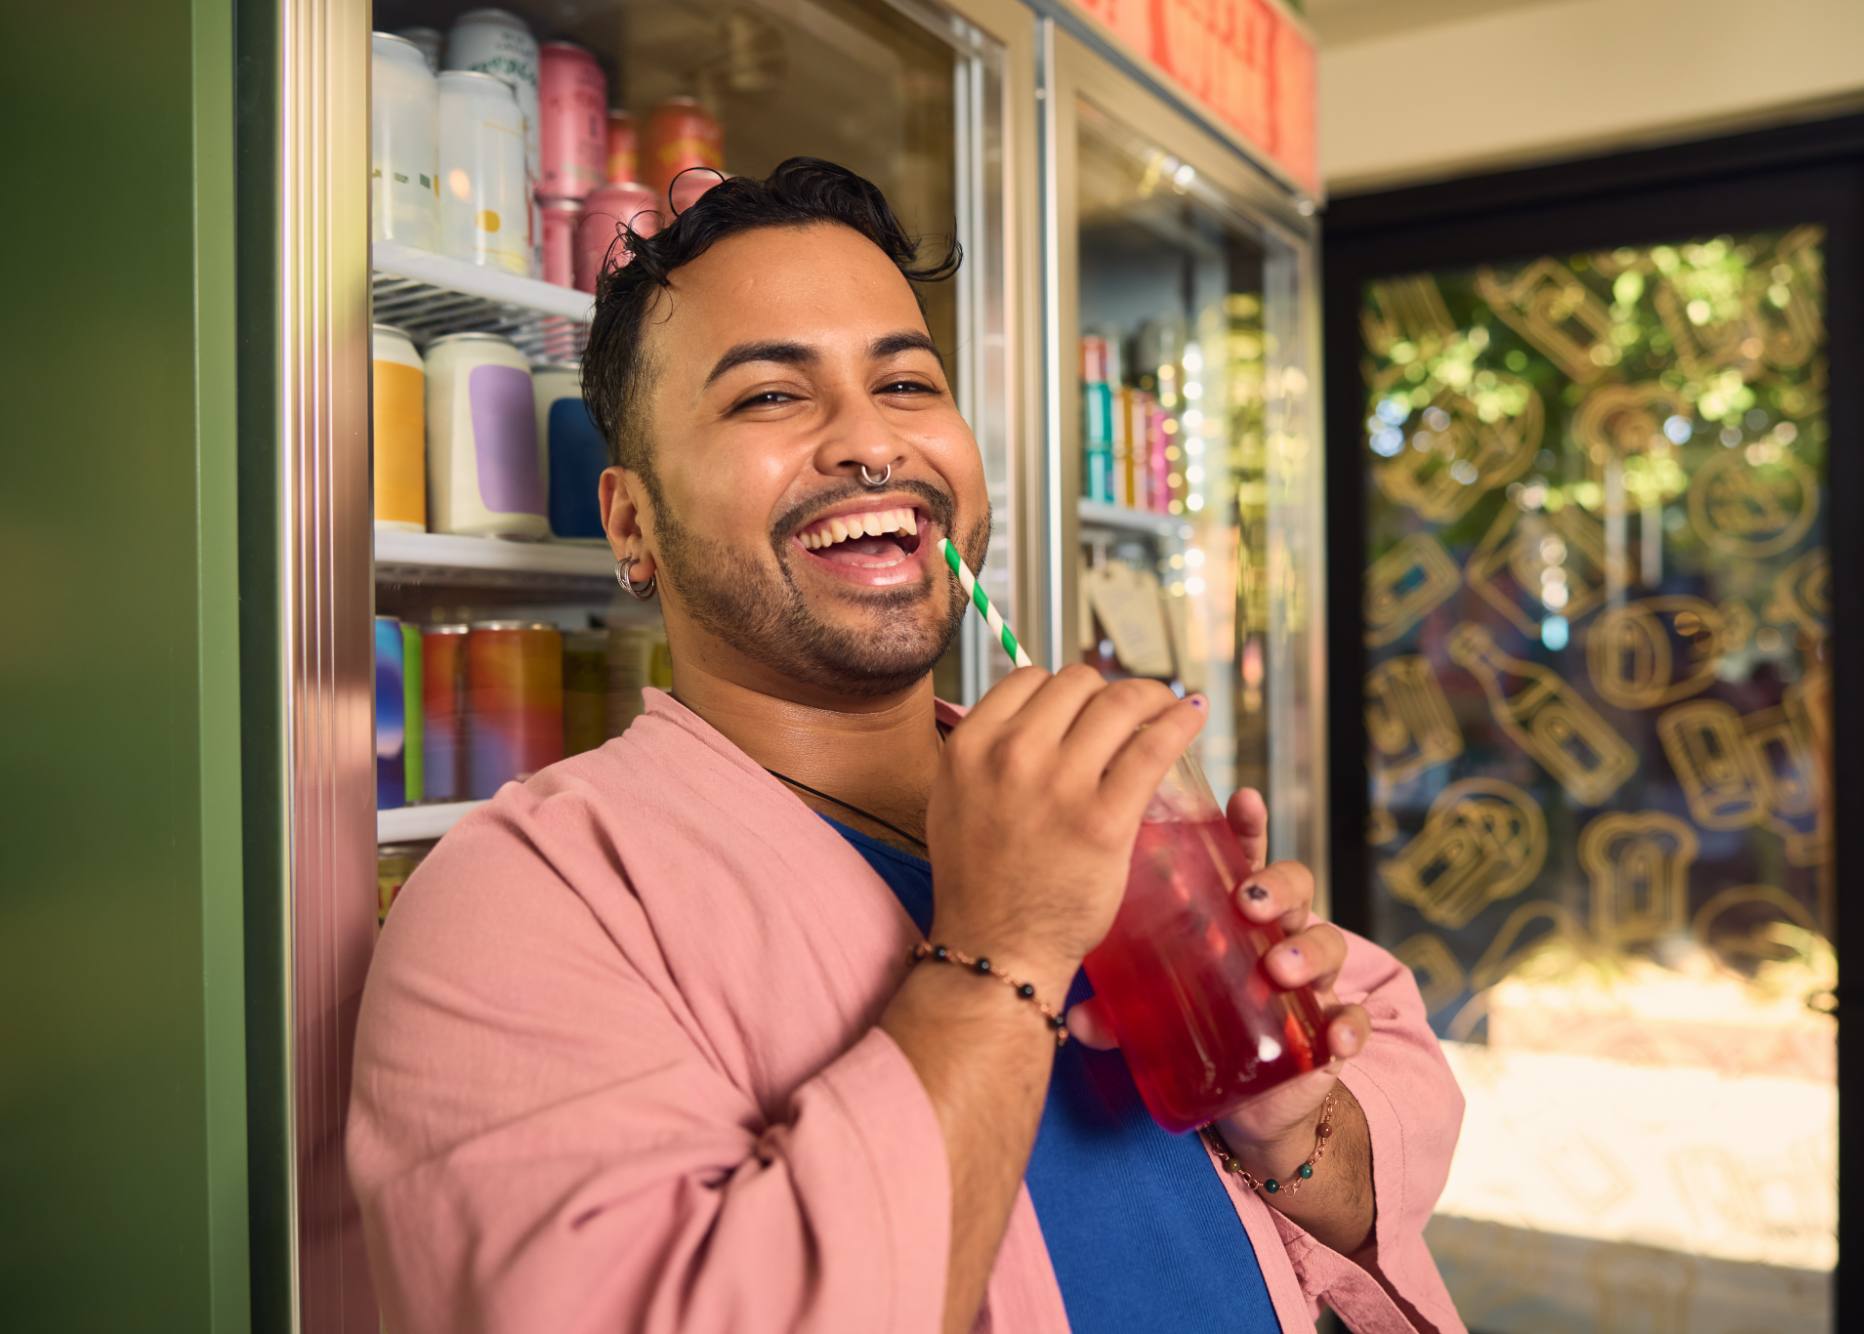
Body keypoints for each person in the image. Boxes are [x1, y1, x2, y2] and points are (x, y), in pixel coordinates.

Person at [348, 158, 1465, 1334]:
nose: (869, 441)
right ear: (631, 521)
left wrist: (1291, 1125)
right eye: (770, 396)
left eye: (907, 380)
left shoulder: (1096, 809)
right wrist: (1001, 947)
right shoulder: (524, 900)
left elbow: (1381, 1114)